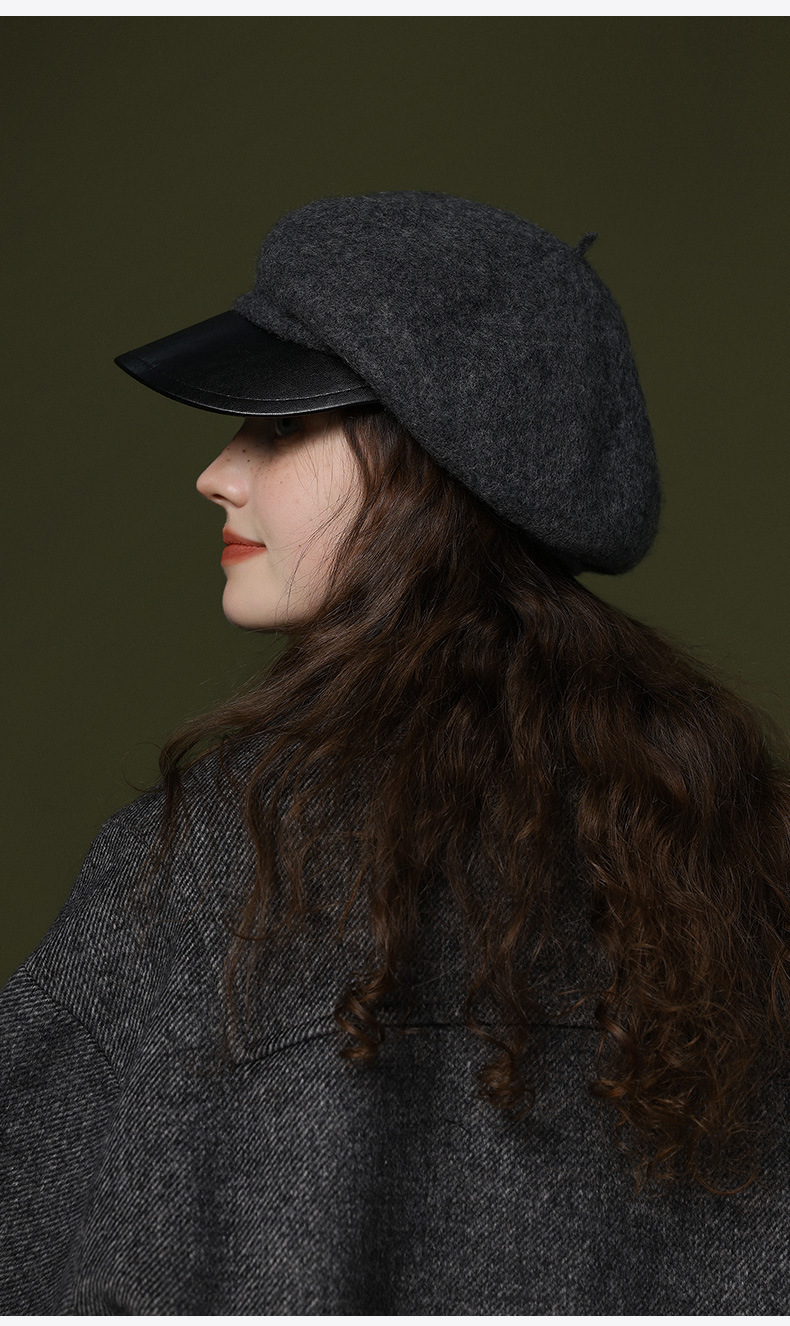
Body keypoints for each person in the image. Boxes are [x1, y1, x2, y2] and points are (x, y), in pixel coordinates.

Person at [2, 190, 790, 1314]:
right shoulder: (732, 852)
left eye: (279, 429)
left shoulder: (226, 863)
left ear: (429, 465)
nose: (217, 473)